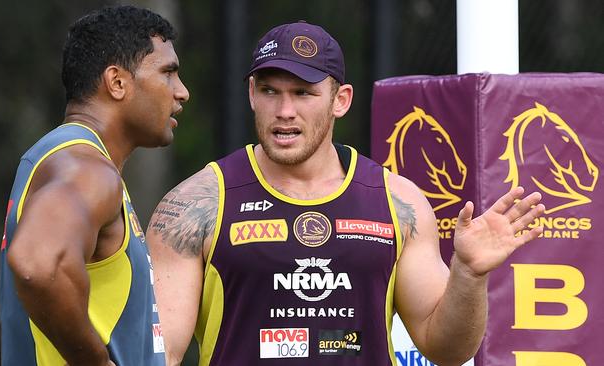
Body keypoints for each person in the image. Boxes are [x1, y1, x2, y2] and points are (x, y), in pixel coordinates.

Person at [146, 21, 544, 366]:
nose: (284, 110)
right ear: (251, 94)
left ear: (341, 100)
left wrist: (469, 274)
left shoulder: (395, 201)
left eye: (303, 93)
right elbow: (160, 354)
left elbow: (447, 350)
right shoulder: (197, 204)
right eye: (270, 92)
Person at [0, 5, 189, 366]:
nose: (182, 92)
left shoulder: (63, 159)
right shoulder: (86, 169)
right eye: (168, 73)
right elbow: (37, 264)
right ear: (117, 82)